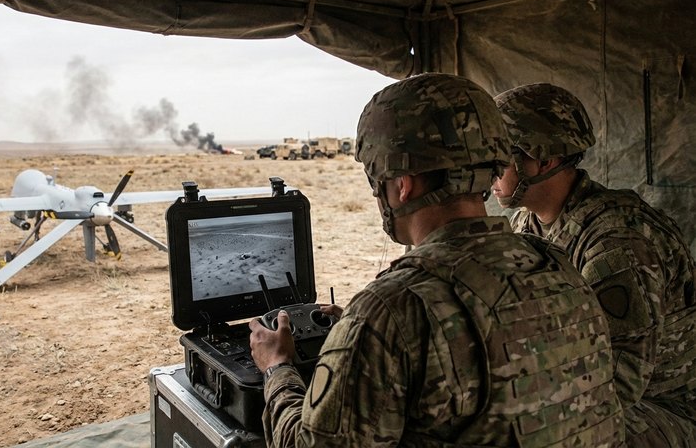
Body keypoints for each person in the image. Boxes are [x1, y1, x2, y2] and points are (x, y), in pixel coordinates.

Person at [249, 73, 624, 447]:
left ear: (403, 184)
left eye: (377, 182)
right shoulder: (557, 265)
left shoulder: (392, 309)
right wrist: (363, 336)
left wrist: (277, 368)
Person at [492, 82, 696, 445]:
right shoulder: (526, 225)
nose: (490, 171)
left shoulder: (617, 240)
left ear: (544, 160)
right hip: (590, 387)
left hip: (664, 409)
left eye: (501, 156)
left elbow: (619, 380)